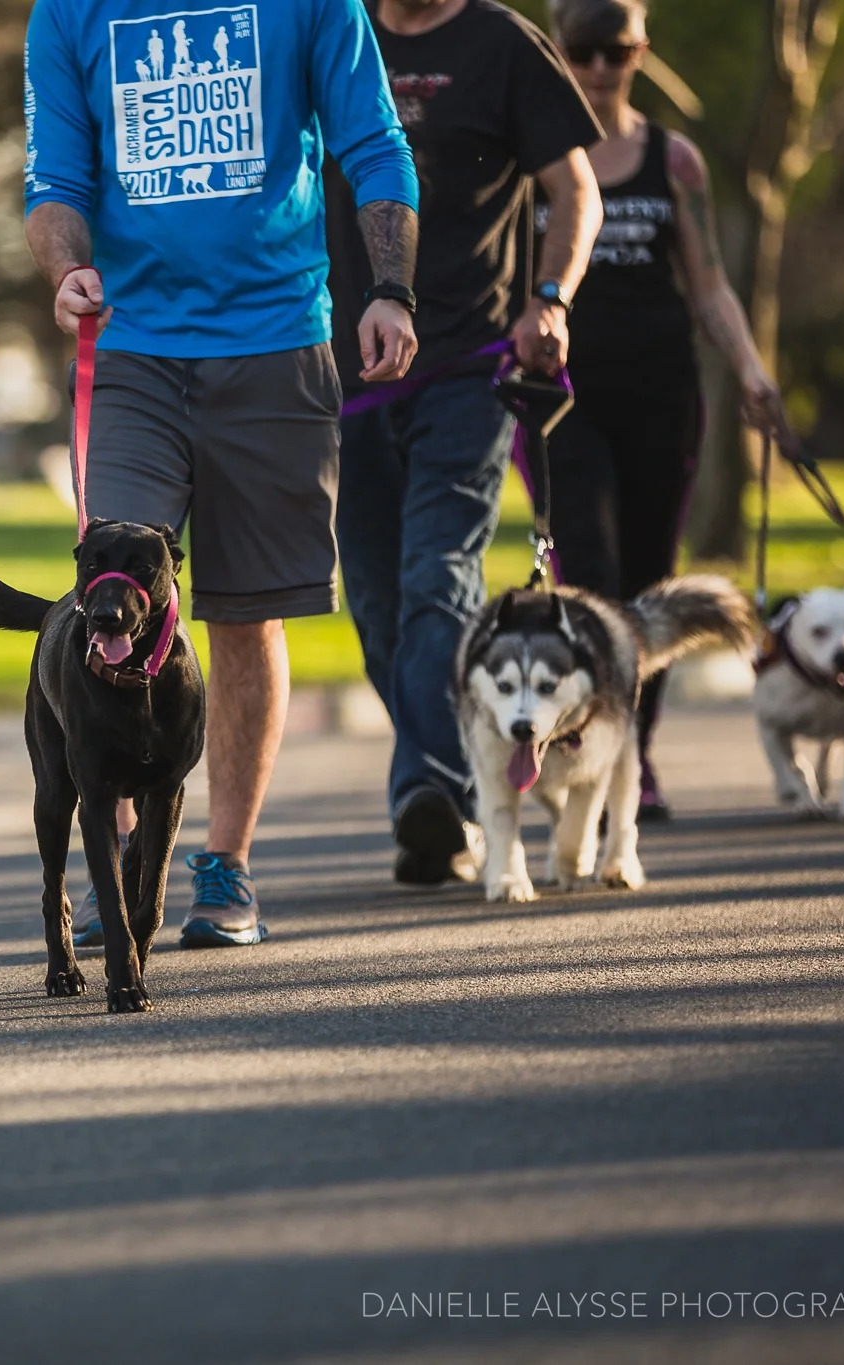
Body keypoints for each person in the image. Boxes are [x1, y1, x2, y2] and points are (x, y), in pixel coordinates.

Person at [25, 0, 422, 947]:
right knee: (109, 594)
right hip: (131, 348)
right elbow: (54, 176)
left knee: (247, 610)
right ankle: (118, 864)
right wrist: (66, 269)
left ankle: (226, 866)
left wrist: (392, 290)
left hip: (276, 340)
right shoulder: (70, 12)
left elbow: (374, 143)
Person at [326, 0, 604, 887]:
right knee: (373, 599)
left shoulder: (501, 43)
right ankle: (443, 779)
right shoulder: (329, 27)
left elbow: (576, 192)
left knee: (437, 573)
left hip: (470, 359)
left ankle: (433, 793)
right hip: (344, 362)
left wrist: (551, 297)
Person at [541, 0, 800, 821]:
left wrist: (753, 373)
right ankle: (584, 742)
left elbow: (711, 284)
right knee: (590, 576)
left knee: (649, 584)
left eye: (615, 51)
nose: (597, 69)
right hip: (562, 404)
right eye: (581, 51)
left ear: (641, 52)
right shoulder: (534, 157)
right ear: (557, 49)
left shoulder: (675, 162)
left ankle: (634, 756)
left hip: (662, 398)